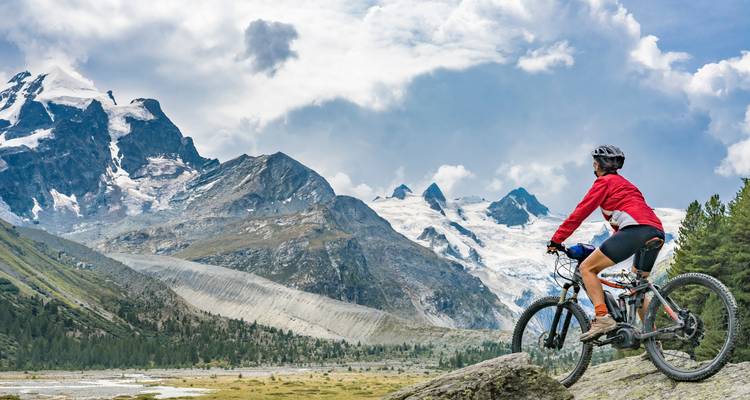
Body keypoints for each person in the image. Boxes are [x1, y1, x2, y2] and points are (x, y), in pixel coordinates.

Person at [547, 145, 665, 342]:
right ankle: (654, 344)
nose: (593, 164)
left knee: (587, 268)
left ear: (598, 165)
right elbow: (624, 227)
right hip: (655, 232)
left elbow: (580, 213)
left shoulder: (604, 182)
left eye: (594, 161)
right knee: (639, 288)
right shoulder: (627, 185)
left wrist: (556, 240)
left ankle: (602, 317)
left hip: (634, 230)